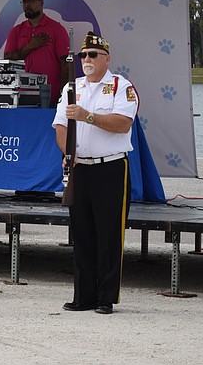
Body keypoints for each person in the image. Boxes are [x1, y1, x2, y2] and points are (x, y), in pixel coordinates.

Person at [52, 31, 138, 315]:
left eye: (93, 55)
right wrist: (68, 153)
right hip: (80, 169)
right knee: (82, 234)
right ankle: (83, 295)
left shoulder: (120, 87)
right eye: (83, 55)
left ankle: (105, 297)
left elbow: (122, 123)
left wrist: (87, 116)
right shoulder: (71, 88)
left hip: (110, 167)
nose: (86, 59)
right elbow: (61, 126)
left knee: (108, 234)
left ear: (107, 59)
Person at [3, 0, 70, 106]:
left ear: (42, 3)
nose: (27, 5)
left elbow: (66, 64)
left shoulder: (56, 29)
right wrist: (30, 47)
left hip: (50, 97)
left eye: (31, 1)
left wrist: (62, 94)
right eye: (24, 2)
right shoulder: (16, 30)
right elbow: (7, 59)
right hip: (19, 96)